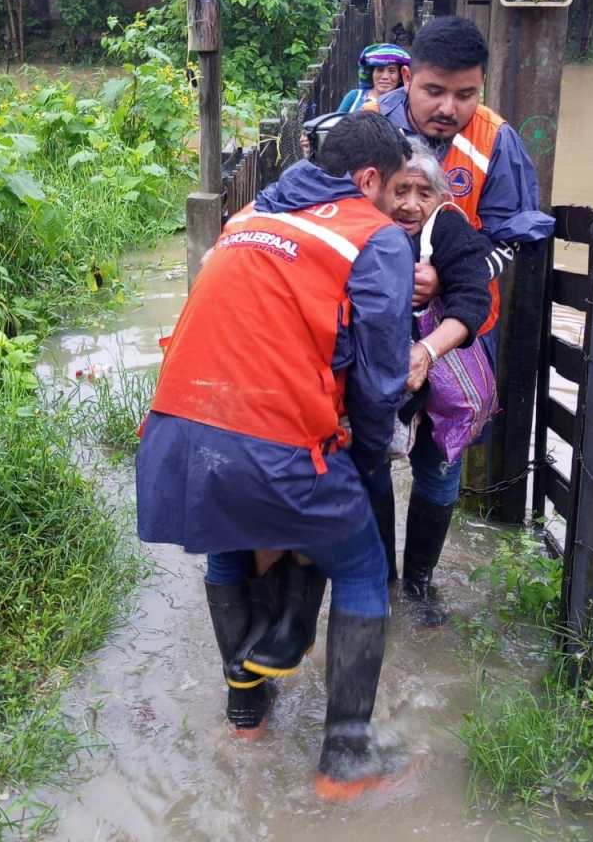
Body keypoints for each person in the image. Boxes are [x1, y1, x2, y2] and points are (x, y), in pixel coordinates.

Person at [136, 111, 416, 800]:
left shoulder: (247, 220)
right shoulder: (373, 238)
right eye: (390, 193)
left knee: (229, 541)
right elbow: (380, 384)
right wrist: (369, 463)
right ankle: (347, 756)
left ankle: (246, 717)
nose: (393, 209)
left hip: (176, 434)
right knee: (357, 563)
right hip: (273, 445)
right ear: (369, 179)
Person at [379, 16, 555, 624]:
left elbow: (511, 234)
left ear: (483, 85)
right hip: (376, 334)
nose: (449, 108)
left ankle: (420, 583)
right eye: (434, 91)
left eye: (465, 93)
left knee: (442, 459)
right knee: (371, 452)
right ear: (408, 78)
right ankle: (379, 577)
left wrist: (451, 277)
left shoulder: (498, 140)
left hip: (460, 337)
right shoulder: (371, 130)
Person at [366, 142, 493, 592]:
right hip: (381, 380)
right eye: (401, 190)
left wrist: (427, 351)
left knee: (438, 476)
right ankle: (379, 581)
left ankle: (419, 582)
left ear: (441, 198)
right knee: (372, 470)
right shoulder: (360, 226)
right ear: (378, 188)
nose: (410, 205)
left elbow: (474, 298)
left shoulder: (449, 229)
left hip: (442, 379)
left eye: (424, 193)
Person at [337, 42, 411, 113]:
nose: (385, 77)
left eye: (392, 71)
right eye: (380, 70)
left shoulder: (405, 102)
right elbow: (335, 124)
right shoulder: (355, 96)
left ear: (401, 76)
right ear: (371, 73)